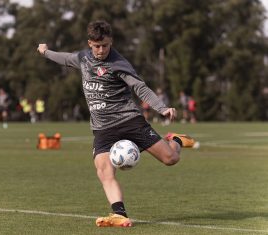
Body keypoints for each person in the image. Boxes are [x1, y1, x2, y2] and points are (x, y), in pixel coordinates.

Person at [37, 20, 196, 227]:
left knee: (171, 159)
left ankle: (176, 139)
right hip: (102, 128)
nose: (101, 50)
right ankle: (119, 213)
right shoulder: (83, 58)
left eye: (105, 45)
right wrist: (45, 52)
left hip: (129, 121)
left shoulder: (118, 64)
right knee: (103, 171)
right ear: (90, 43)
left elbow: (140, 87)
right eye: (96, 46)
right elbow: (65, 59)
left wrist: (162, 108)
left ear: (111, 41)